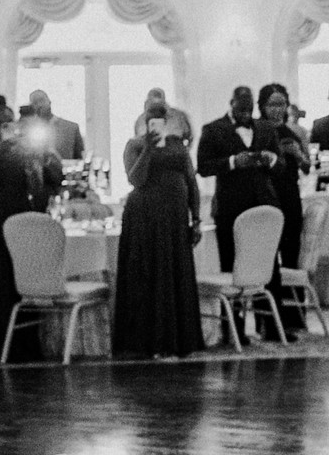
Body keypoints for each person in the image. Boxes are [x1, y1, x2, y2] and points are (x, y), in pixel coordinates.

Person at [0, 104, 61, 363]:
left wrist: (34, 160)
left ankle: (23, 343)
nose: (5, 127)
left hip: (21, 213)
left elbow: (38, 187)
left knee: (21, 275)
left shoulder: (25, 150)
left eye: (10, 122)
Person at [113, 111, 204, 358]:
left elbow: (191, 182)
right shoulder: (134, 145)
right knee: (145, 274)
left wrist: (196, 219)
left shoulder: (178, 146)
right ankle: (143, 341)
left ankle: (178, 340)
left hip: (175, 220)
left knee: (174, 274)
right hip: (143, 218)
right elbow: (135, 179)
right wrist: (148, 150)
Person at [196, 86, 282, 281]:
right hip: (229, 209)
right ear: (231, 104)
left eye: (249, 110)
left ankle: (268, 310)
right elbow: (203, 167)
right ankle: (233, 312)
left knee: (268, 268)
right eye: (241, 109)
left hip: (263, 206)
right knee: (231, 268)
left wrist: (272, 160)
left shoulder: (266, 128)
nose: (245, 114)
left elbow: (281, 166)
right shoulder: (213, 129)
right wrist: (233, 162)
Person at [260, 83, 311, 336]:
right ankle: (269, 319)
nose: (277, 109)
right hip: (268, 195)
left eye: (281, 103)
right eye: (272, 104)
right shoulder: (258, 131)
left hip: (290, 195)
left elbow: (307, 167)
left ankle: (295, 317)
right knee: (268, 257)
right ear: (263, 106)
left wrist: (298, 154)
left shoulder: (296, 131)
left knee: (292, 253)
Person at [26, 90, 86, 160]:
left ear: (49, 101)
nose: (39, 105)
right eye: (35, 103)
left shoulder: (71, 128)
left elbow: (79, 159)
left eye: (41, 100)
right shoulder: (27, 131)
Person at [129, 87, 194, 144]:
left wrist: (182, 152)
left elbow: (189, 136)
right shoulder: (141, 122)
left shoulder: (178, 117)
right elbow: (138, 144)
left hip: (175, 156)